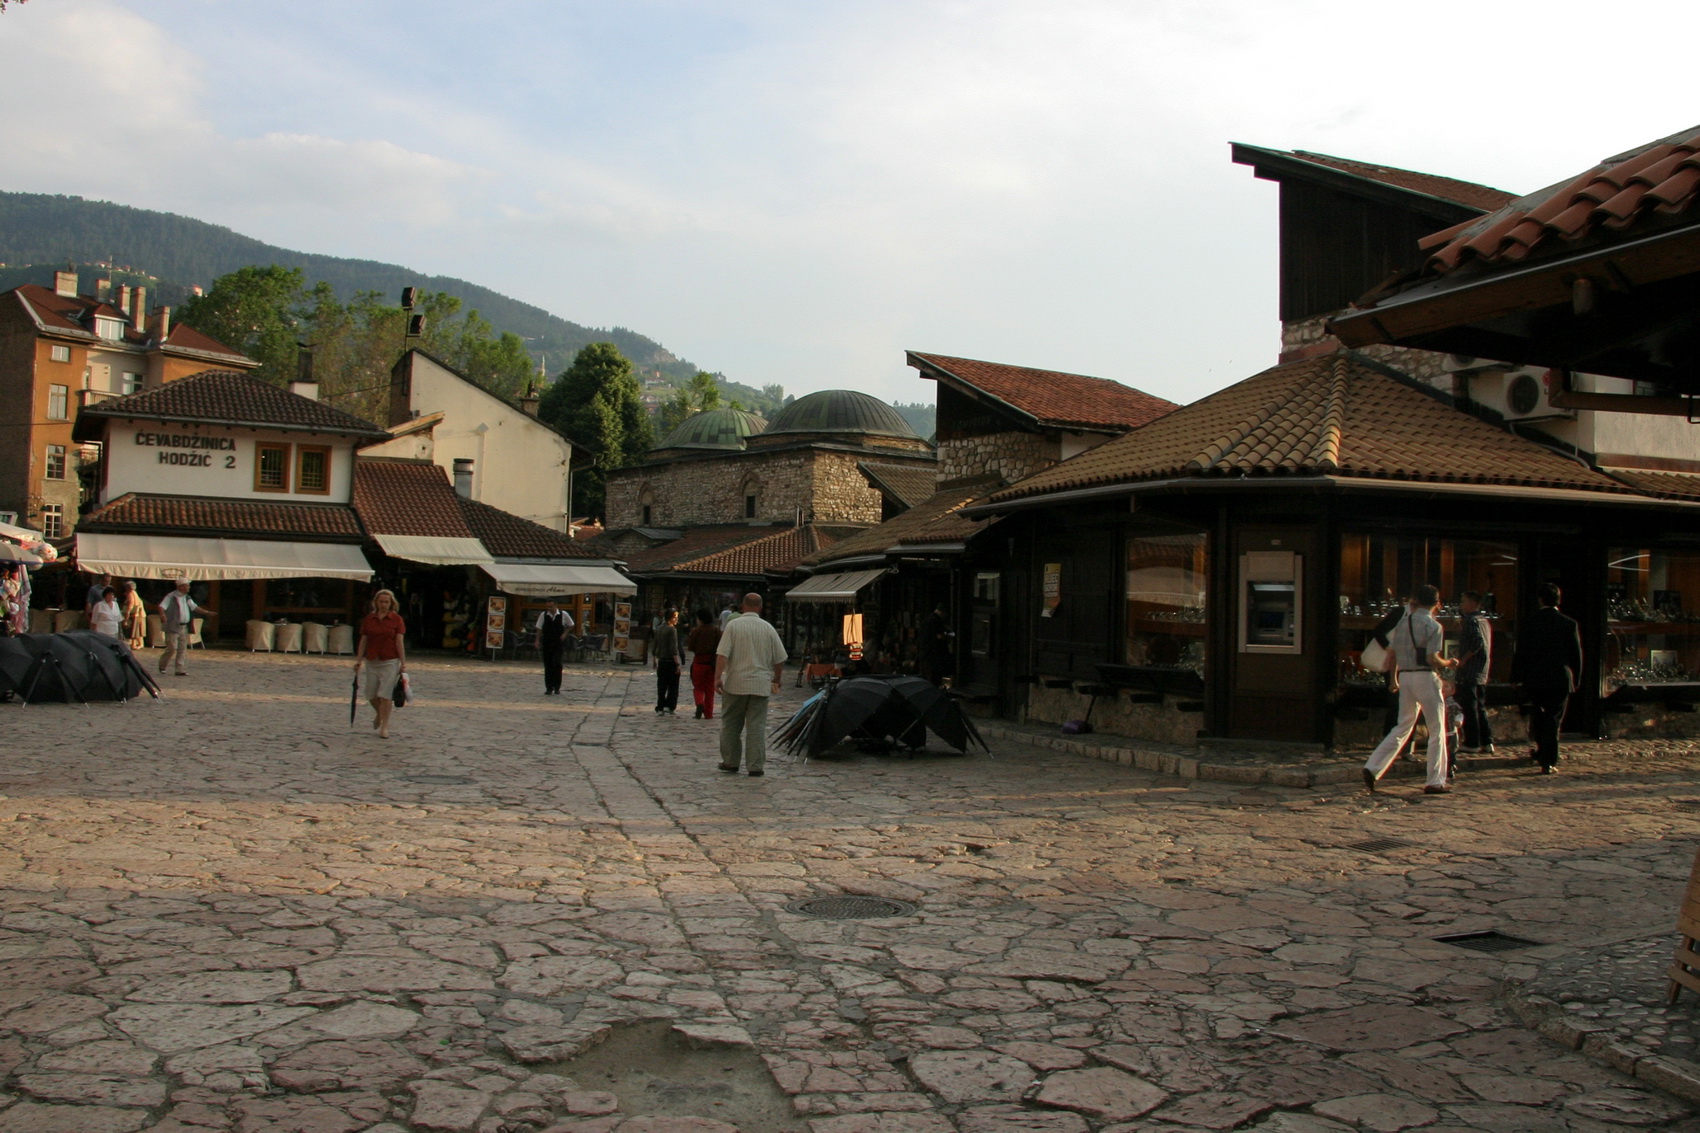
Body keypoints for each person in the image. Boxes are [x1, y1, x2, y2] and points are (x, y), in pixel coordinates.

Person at [1363, 584, 1457, 795]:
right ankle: (1435, 780)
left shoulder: (1403, 622)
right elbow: (1432, 658)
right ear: (1436, 602)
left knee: (1403, 725)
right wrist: (1449, 663)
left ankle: (1373, 766)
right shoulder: (1434, 626)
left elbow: (1393, 653)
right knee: (1436, 729)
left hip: (1405, 676)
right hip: (1425, 676)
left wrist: (1394, 679)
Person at [1512, 582, 1583, 775]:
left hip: (1536, 677)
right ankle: (1548, 758)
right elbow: (1576, 655)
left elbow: (1521, 652)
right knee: (1553, 719)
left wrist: (1516, 676)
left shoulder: (1531, 621)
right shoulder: (1568, 624)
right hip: (1559, 677)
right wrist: (1576, 678)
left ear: (1540, 600)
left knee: (1538, 716)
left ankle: (1543, 751)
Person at [715, 592, 788, 776]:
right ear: (760, 608)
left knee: (731, 724)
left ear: (742, 606)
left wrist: (717, 678)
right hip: (760, 685)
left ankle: (730, 761)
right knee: (756, 726)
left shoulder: (733, 626)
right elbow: (780, 658)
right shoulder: (768, 628)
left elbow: (722, 655)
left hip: (735, 683)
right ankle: (755, 766)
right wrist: (777, 679)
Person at [354, 589, 408, 739]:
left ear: (391, 603)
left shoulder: (396, 619)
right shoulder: (369, 619)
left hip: (390, 660)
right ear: (376, 603)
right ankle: (379, 713)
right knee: (371, 694)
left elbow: (399, 642)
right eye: (381, 601)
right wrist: (358, 660)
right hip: (372, 660)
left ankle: (385, 726)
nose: (383, 604)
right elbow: (364, 640)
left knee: (386, 694)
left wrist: (403, 663)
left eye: (386, 602)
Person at [1454, 589, 1494, 754]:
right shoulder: (1483, 620)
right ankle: (1487, 741)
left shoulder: (1471, 620)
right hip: (1481, 670)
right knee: (1480, 707)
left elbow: (1477, 642)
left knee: (1469, 707)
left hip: (1470, 670)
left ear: (1472, 603)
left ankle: (1472, 742)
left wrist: (1463, 660)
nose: (1461, 605)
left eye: (1463, 601)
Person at [156, 579, 213, 677]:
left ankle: (179, 669)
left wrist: (207, 612)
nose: (189, 587)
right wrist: (162, 615)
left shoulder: (187, 597)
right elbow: (161, 606)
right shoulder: (171, 596)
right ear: (181, 587)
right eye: (187, 585)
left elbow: (194, 607)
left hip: (184, 626)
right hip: (173, 626)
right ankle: (163, 665)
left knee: (182, 649)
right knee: (172, 648)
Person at [686, 608, 722, 719]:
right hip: (712, 663)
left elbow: (690, 647)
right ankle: (708, 713)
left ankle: (700, 703)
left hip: (699, 662)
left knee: (698, 687)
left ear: (700, 619)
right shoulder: (716, 631)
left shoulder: (696, 631)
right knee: (710, 690)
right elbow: (720, 646)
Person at [534, 598, 574, 695]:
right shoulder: (543, 615)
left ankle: (557, 686)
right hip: (547, 642)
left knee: (557, 663)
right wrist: (537, 640)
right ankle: (549, 687)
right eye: (548, 607)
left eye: (551, 607)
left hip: (558, 642)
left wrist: (565, 634)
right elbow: (539, 628)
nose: (549, 609)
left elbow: (571, 625)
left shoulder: (563, 614)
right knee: (548, 664)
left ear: (556, 605)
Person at [652, 607, 683, 715]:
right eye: (675, 617)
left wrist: (654, 660)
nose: (676, 619)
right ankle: (670, 706)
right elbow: (673, 649)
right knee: (673, 686)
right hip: (670, 661)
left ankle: (660, 706)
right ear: (670, 618)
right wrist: (677, 664)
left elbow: (655, 646)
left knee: (662, 685)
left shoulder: (659, 628)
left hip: (661, 661)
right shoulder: (672, 630)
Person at [119, 581, 148, 651]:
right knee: (134, 630)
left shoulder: (131, 593)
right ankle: (133, 644)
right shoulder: (133, 593)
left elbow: (131, 604)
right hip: (137, 614)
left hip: (136, 614)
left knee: (136, 630)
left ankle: (140, 644)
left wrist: (127, 613)